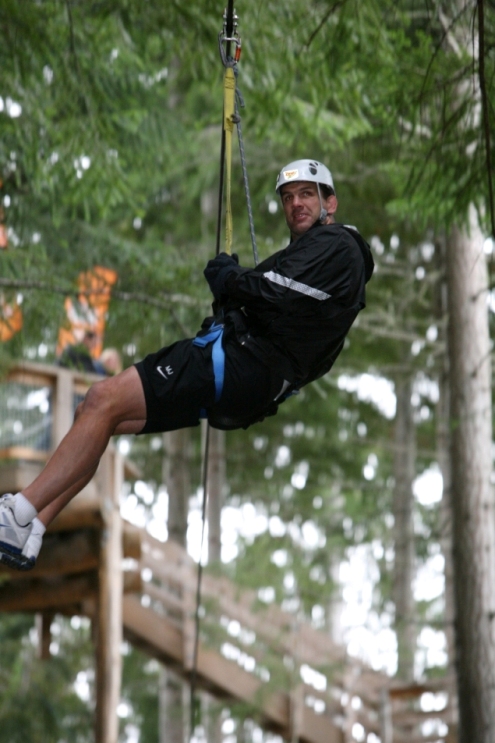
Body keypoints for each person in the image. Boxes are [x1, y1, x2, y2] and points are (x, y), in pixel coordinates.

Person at [0, 159, 374, 571]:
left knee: (101, 400)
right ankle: (33, 529)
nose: (296, 204)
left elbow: (276, 292)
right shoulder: (314, 258)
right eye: (288, 198)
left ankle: (16, 513)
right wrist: (233, 291)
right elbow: (279, 302)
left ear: (330, 202)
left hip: (236, 364)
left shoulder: (339, 246)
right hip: (246, 379)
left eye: (307, 194)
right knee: (98, 414)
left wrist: (232, 280)